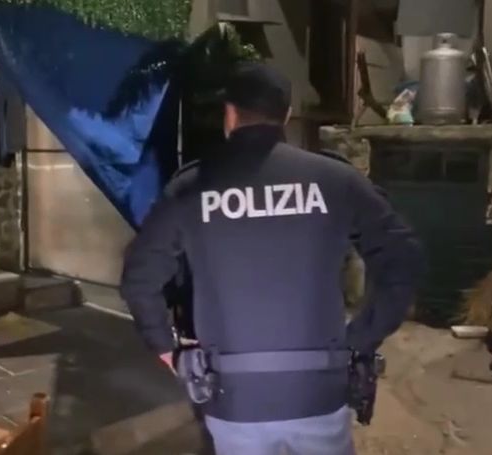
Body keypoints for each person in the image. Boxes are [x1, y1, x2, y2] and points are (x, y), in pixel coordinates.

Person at [120, 63, 425, 455]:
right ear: (286, 114)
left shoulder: (190, 188)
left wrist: (167, 348)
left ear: (230, 114)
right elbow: (404, 257)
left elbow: (140, 278)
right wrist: (362, 338)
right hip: (318, 394)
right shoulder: (335, 179)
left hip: (234, 400)